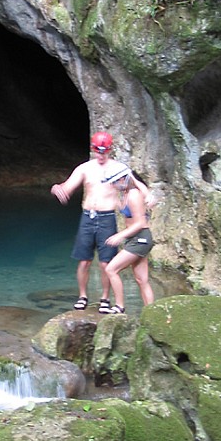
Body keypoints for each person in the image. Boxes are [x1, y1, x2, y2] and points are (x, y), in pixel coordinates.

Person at [51, 131, 151, 312]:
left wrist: (148, 195)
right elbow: (67, 186)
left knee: (106, 262)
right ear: (93, 149)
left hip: (107, 217)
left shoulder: (119, 168)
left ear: (110, 150)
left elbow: (136, 183)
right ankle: (82, 296)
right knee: (84, 260)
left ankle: (105, 298)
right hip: (88, 216)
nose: (101, 155)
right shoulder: (84, 168)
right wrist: (57, 188)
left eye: (104, 152)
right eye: (98, 151)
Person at [101, 165, 154, 314]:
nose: (113, 185)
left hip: (140, 239)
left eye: (114, 182)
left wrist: (120, 235)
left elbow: (140, 223)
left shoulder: (134, 194)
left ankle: (119, 306)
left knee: (111, 269)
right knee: (141, 280)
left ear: (123, 179)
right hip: (134, 239)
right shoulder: (124, 194)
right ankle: (151, 313)